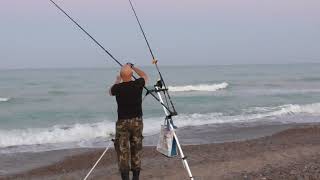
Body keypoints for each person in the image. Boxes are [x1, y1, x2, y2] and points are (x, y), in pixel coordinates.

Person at [109, 63, 148, 180]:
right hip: (137, 121)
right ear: (131, 74)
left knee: (122, 151)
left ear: (121, 76)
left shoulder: (118, 88)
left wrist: (117, 80)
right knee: (136, 148)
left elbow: (110, 92)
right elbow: (145, 76)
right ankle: (136, 177)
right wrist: (133, 67)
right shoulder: (138, 84)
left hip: (122, 123)